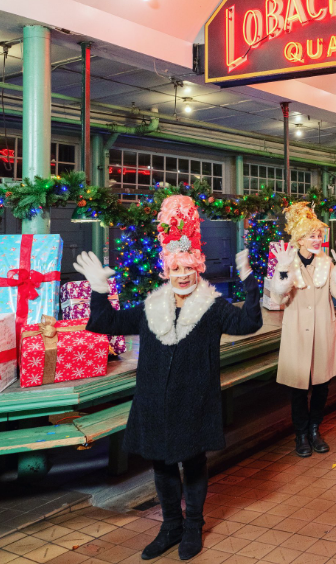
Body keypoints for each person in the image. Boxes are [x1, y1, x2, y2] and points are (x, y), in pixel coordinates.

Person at [75, 196, 263, 561]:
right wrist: (98, 290)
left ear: (199, 269)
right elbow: (106, 323)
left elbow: (249, 323)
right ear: (166, 270)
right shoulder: (151, 307)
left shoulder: (213, 307)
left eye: (189, 269)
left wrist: (249, 279)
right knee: (161, 466)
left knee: (193, 465)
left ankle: (193, 526)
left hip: (193, 404)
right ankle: (170, 526)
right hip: (154, 404)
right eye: (176, 269)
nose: (182, 275)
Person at [269, 202, 336, 458]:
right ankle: (301, 435)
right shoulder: (287, 262)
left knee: (321, 385)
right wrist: (282, 273)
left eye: (319, 235)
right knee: (297, 389)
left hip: (322, 332)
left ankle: (315, 429)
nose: (317, 239)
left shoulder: (326, 263)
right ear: (299, 239)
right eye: (312, 235)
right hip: (296, 333)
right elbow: (278, 300)